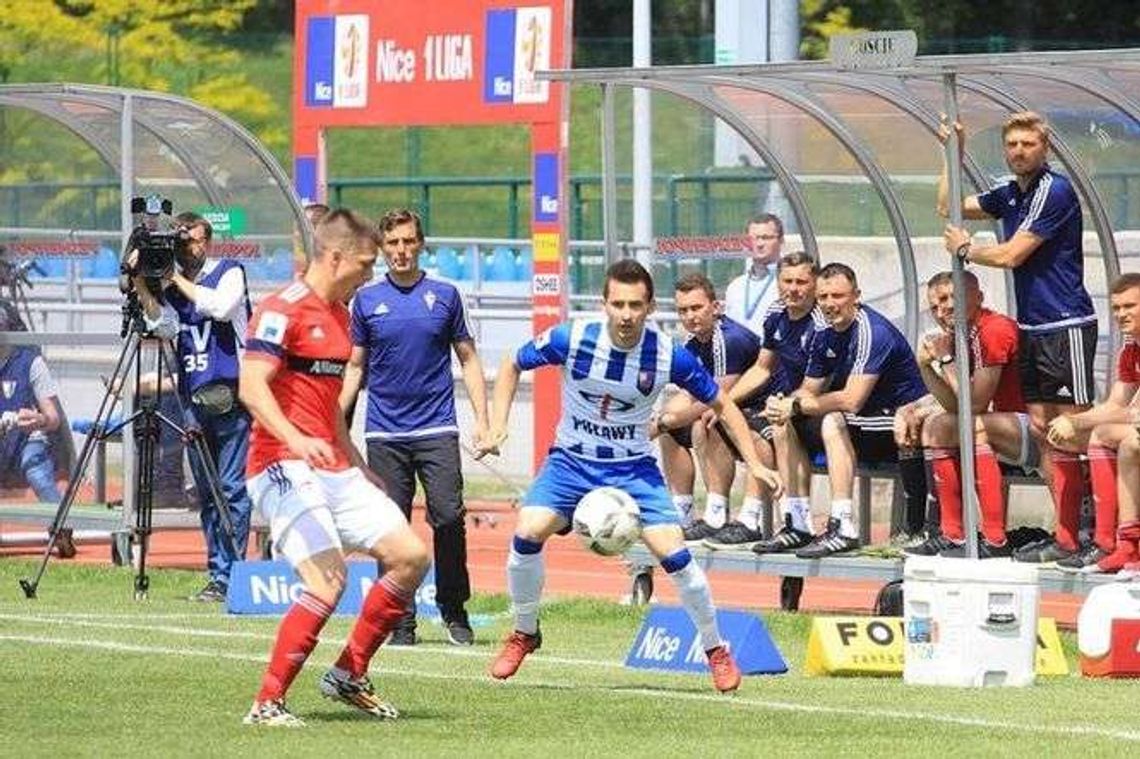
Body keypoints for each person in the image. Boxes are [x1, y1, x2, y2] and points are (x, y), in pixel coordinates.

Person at [478, 259, 781, 692]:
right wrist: (496, 424)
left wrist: (755, 462)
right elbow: (512, 363)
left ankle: (715, 649)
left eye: (635, 305)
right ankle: (525, 631)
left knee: (676, 557)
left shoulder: (666, 354)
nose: (625, 314)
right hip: (571, 461)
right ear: (604, 304)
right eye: (617, 304)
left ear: (649, 306)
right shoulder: (573, 337)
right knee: (526, 533)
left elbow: (723, 405)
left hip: (633, 470)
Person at [240, 209, 430, 727]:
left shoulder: (343, 316)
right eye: (366, 263)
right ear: (335, 256)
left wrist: (354, 461)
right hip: (279, 461)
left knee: (411, 557)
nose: (371, 273)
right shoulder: (282, 311)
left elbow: (327, 406)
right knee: (328, 583)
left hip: (331, 463)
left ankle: (349, 673)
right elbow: (252, 388)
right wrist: (297, 439)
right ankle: (267, 703)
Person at [940, 110, 1096, 564]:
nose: (1019, 152)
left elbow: (1012, 254)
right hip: (1032, 327)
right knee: (1047, 432)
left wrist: (968, 249)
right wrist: (953, 153)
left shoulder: (1054, 190)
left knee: (1075, 431)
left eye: (1028, 144)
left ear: (1044, 148)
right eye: (1012, 145)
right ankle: (1066, 536)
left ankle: (1091, 533)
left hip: (1064, 324)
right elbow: (947, 209)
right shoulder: (1010, 193)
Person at [340, 207, 488, 647]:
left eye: (408, 241)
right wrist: (334, 423)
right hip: (384, 433)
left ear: (420, 244)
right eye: (393, 244)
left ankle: (453, 608)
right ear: (382, 249)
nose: (401, 251)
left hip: (437, 429)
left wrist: (483, 422)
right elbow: (353, 367)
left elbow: (468, 358)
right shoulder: (365, 301)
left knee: (448, 518)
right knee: (392, 528)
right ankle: (399, 620)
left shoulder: (445, 295)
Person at [766, 263, 928, 557]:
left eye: (838, 296)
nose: (830, 304)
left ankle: (843, 526)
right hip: (863, 421)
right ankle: (798, 524)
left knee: (832, 421)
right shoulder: (825, 333)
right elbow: (809, 389)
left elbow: (852, 399)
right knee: (783, 423)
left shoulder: (871, 331)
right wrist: (784, 405)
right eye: (824, 297)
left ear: (857, 296)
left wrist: (800, 405)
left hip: (900, 421)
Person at [904, 270, 1038, 558]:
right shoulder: (960, 335)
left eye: (949, 300)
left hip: (1037, 429)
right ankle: (951, 534)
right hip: (1009, 431)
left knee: (974, 427)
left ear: (977, 297)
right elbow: (955, 407)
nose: (942, 311)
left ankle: (995, 540)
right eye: (935, 306)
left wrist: (947, 360)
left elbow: (974, 405)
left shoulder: (994, 329)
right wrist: (926, 367)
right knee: (938, 427)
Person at [160, 211, 255, 602]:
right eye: (184, 243)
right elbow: (161, 326)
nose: (191, 248)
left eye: (196, 240)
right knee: (206, 492)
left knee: (231, 488)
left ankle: (233, 573)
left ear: (209, 240)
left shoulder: (230, 271)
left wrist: (174, 279)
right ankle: (217, 573)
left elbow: (219, 307)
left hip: (231, 396)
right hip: (193, 400)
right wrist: (147, 285)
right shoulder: (174, 289)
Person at [654, 272, 767, 546]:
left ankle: (722, 515)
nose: (690, 316)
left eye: (697, 307)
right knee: (672, 430)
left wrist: (662, 423)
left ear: (715, 307)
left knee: (705, 420)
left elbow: (715, 399)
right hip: (729, 412)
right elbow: (687, 394)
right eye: (683, 310)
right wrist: (663, 420)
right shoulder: (692, 343)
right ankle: (683, 513)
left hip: (757, 411)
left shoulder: (729, 339)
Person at [727, 252, 827, 555]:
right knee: (714, 418)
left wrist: (785, 405)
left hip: (828, 409)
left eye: (801, 282)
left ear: (814, 285)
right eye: (787, 281)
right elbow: (762, 368)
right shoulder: (776, 313)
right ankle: (725, 516)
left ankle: (798, 523)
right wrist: (721, 402)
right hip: (796, 404)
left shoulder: (822, 323)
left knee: (782, 422)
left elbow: (814, 389)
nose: (793, 289)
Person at [1046, 273, 1140, 575]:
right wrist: (1073, 421)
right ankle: (1109, 542)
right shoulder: (1131, 349)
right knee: (1092, 436)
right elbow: (1117, 404)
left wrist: (1076, 419)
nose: (1121, 314)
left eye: (1130, 306)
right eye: (1116, 308)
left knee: (1128, 443)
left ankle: (1126, 542)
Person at [0, 300, 63, 503]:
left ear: (7, 327)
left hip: (28, 440)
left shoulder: (31, 362)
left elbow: (53, 418)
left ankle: (62, 527)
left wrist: (38, 419)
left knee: (36, 472)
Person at [723, 213, 784, 338]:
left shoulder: (789, 282)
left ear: (781, 240)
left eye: (766, 237)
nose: (759, 244)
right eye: (753, 238)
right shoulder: (735, 286)